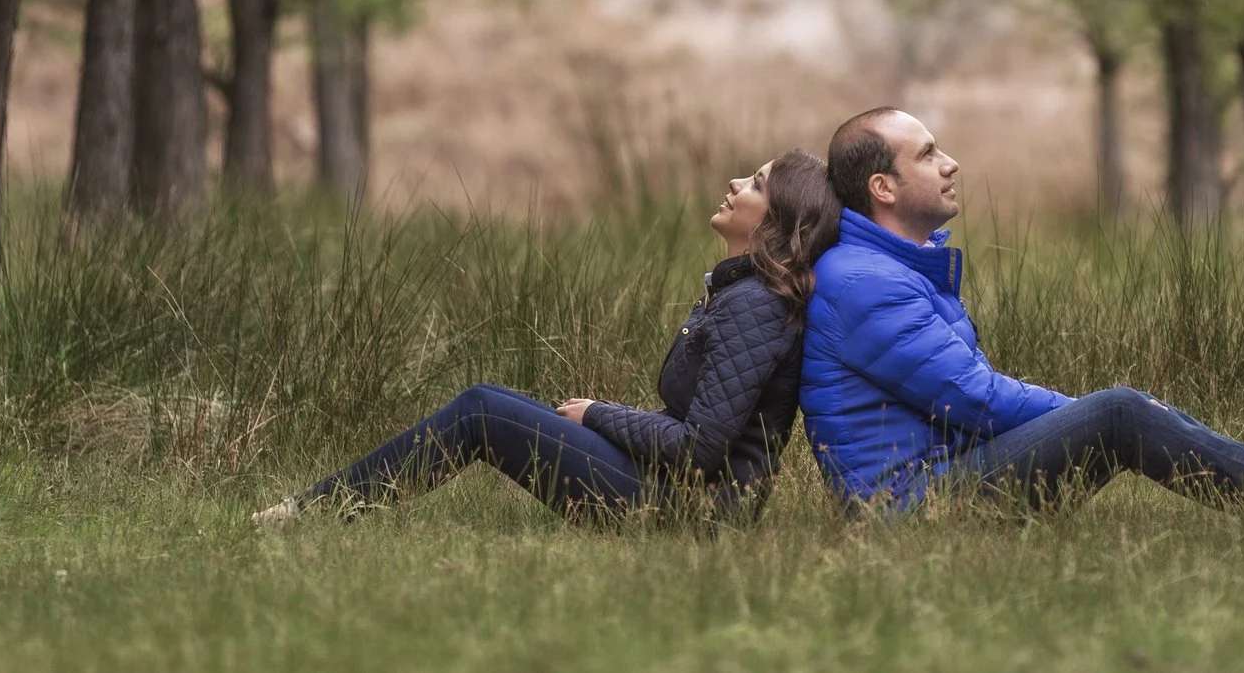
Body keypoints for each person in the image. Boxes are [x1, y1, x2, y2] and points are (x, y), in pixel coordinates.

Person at [800, 108, 1244, 514]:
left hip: (941, 479)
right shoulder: (865, 282)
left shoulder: (891, 266)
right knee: (1119, 412)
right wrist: (1110, 411)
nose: (951, 163)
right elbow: (974, 402)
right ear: (883, 187)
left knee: (1123, 411)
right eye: (927, 154)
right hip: (917, 506)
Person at [256, 149, 840, 525]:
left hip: (690, 513)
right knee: (488, 403)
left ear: (778, 222)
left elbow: (698, 448)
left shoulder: (757, 306)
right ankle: (316, 509)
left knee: (481, 410)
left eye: (757, 183)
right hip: (672, 490)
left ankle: (308, 515)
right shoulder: (740, 293)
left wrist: (597, 415)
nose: (736, 181)